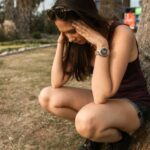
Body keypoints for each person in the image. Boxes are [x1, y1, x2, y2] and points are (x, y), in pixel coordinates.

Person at [38, 0, 150, 149]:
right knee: (47, 96)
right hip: (104, 103)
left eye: (71, 31)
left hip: (132, 104)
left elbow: (101, 95)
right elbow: (57, 81)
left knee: (85, 120)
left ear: (87, 21)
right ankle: (98, 133)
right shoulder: (77, 42)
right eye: (63, 33)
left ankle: (119, 139)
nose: (70, 38)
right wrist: (61, 42)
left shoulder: (121, 33)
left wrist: (102, 45)